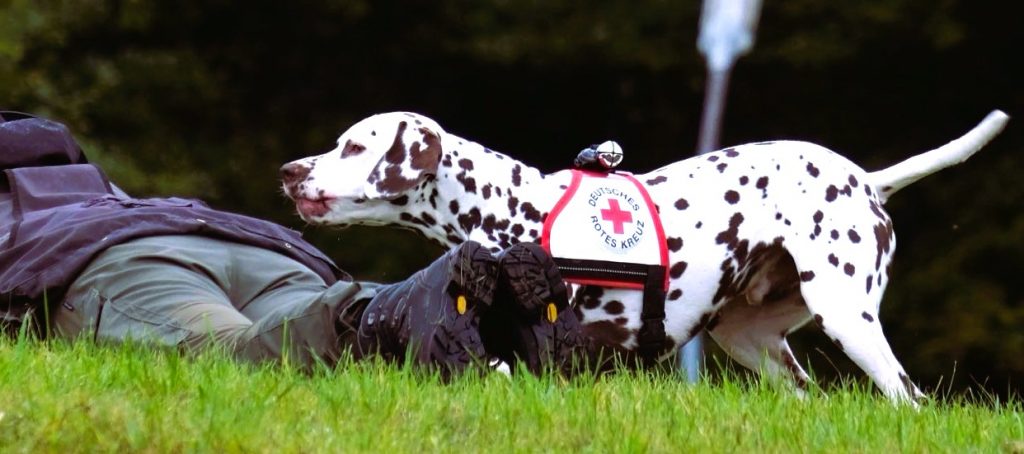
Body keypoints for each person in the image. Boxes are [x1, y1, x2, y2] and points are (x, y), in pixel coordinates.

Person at [0, 111, 586, 376]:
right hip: (254, 243)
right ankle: (464, 312)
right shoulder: (99, 188)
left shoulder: (35, 215)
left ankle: (394, 316)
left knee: (226, 353)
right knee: (307, 313)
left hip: (122, 264)